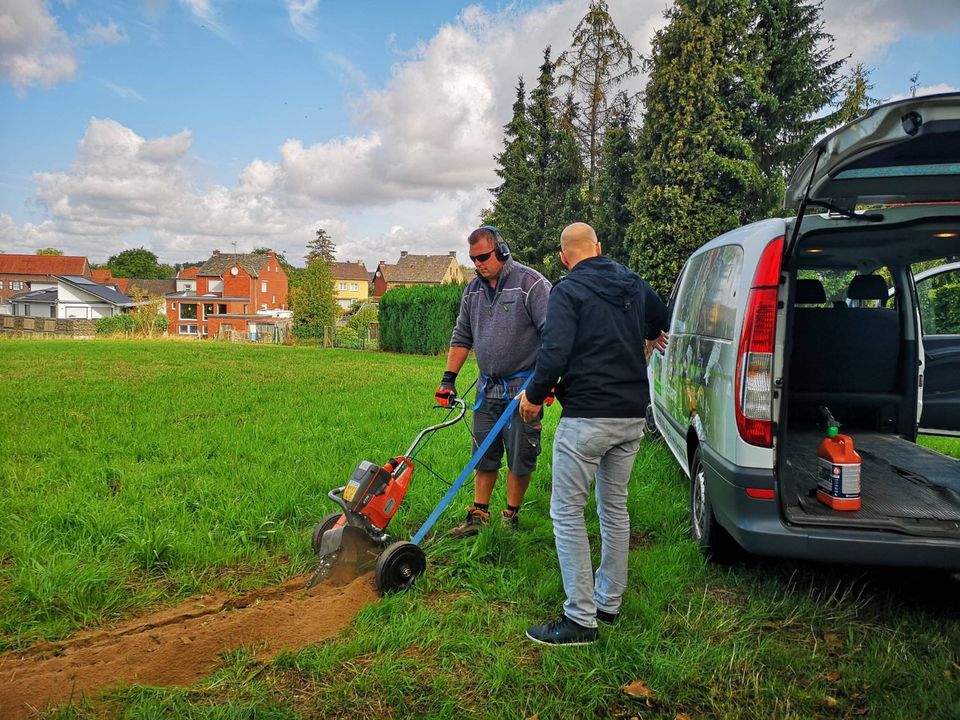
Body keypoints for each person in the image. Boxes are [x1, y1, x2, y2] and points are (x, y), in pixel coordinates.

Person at [518, 222, 668, 645]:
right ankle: (609, 602)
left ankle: (580, 619)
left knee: (566, 513)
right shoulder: (633, 283)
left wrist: (533, 395)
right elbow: (660, 318)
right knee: (613, 509)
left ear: (565, 256)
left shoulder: (568, 290)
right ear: (598, 248)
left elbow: (554, 351)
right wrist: (650, 334)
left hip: (586, 417)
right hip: (631, 416)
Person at [436, 226, 551, 536]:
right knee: (483, 454)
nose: (478, 264)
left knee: (520, 455)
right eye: (473, 259)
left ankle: (510, 516)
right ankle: (478, 514)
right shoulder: (472, 290)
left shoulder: (531, 284)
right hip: (487, 388)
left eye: (483, 257)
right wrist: (448, 379)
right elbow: (462, 335)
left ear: (502, 251)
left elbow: (552, 336)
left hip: (523, 390)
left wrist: (542, 386)